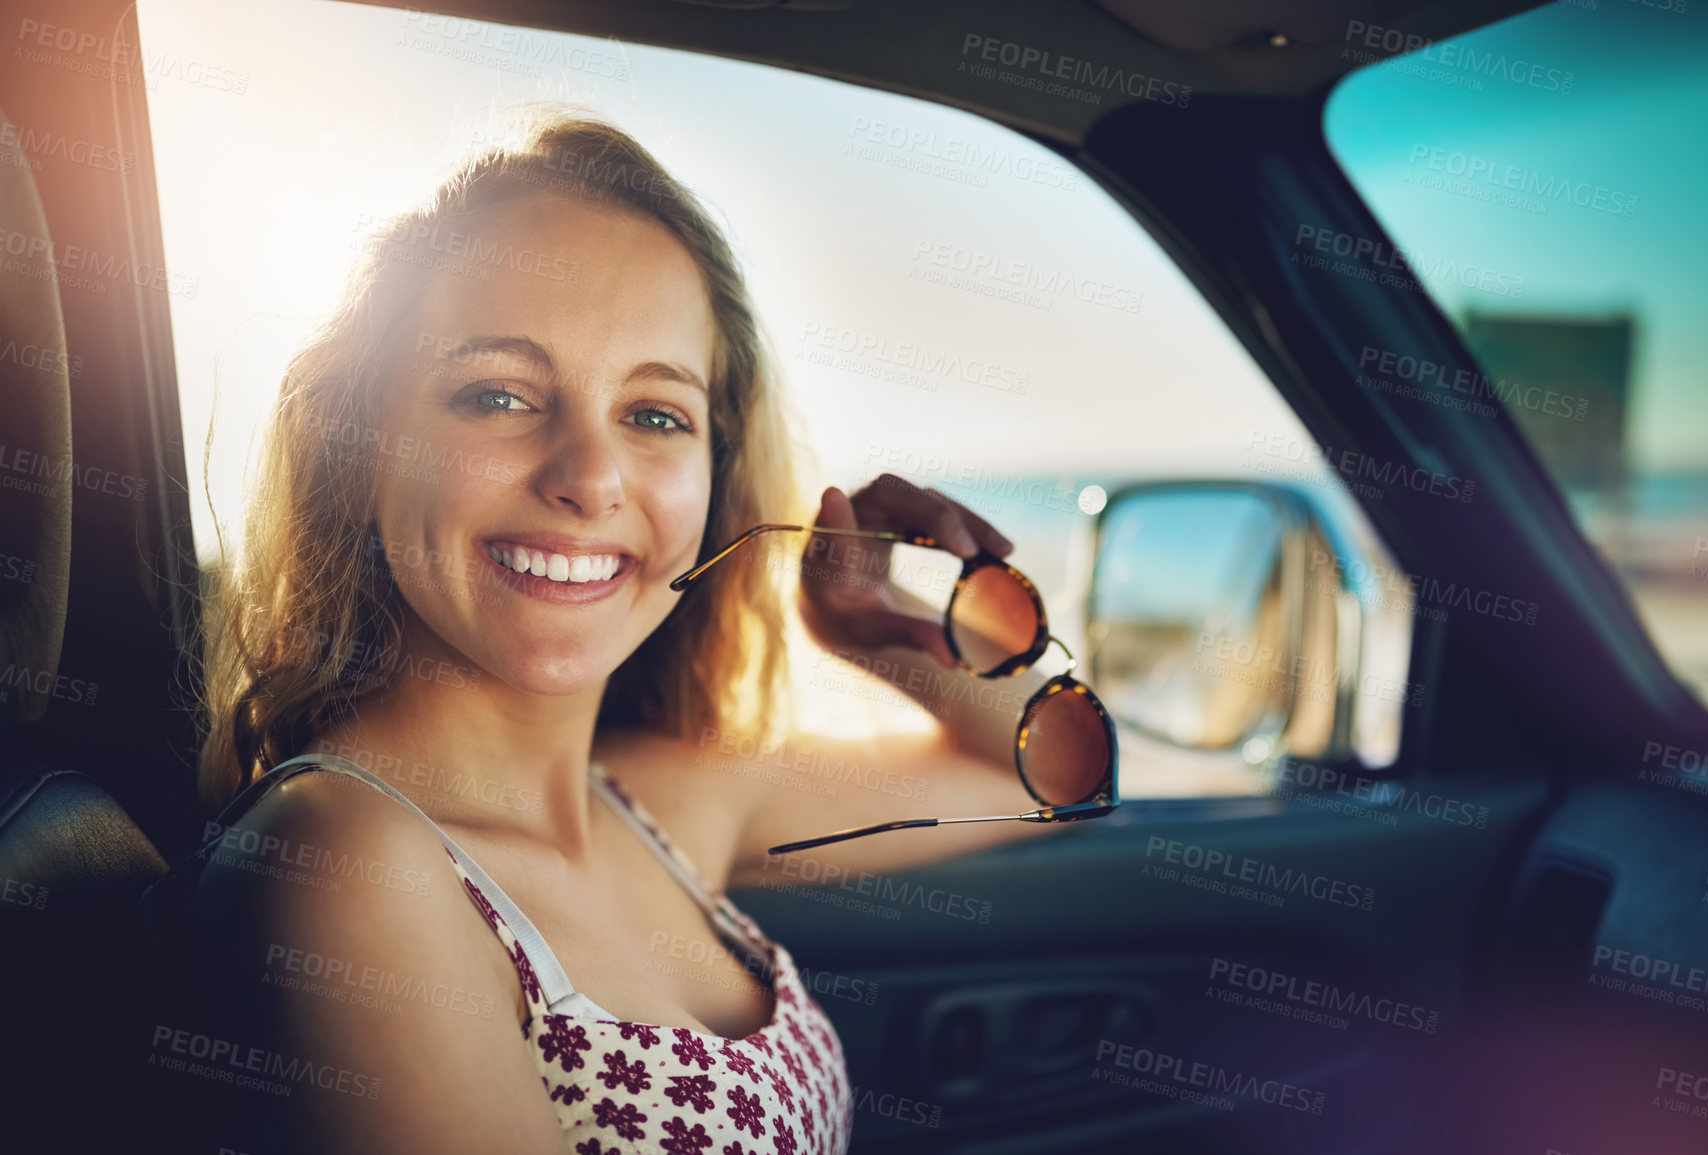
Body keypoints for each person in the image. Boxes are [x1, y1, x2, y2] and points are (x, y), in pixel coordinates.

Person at [185, 111, 1055, 1154]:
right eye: (497, 395)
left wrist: (874, 626)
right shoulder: (349, 862)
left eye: (655, 416)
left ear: (714, 485)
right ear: (362, 451)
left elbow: (1046, 772)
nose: (590, 480)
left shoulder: (655, 804)